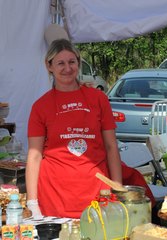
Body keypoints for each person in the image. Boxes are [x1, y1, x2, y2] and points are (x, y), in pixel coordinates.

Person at [25, 39, 124, 219]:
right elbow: (34, 155)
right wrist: (32, 202)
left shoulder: (98, 99)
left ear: (78, 63)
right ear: (49, 66)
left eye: (72, 62)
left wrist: (118, 188)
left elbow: (111, 147)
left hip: (96, 191)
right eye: (60, 63)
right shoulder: (40, 106)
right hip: (54, 195)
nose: (67, 68)